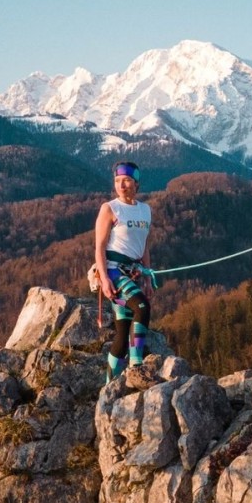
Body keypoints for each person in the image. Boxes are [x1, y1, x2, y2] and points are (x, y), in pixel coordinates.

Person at [94, 160, 154, 380]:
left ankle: (109, 384)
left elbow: (144, 246)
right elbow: (99, 246)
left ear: (136, 184)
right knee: (142, 306)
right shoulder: (109, 208)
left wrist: (148, 279)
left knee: (123, 330)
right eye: (118, 181)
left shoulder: (145, 210)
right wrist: (103, 279)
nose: (122, 185)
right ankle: (136, 364)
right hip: (113, 271)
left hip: (136, 272)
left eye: (127, 180)